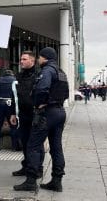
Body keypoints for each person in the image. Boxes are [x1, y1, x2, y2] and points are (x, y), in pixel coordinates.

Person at [14, 47, 69, 193]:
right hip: (60, 112)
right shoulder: (61, 72)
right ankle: (57, 181)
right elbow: (66, 93)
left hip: (47, 113)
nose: (39, 60)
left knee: (32, 145)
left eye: (40, 57)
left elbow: (41, 89)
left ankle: (31, 180)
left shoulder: (47, 71)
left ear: (45, 58)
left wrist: (38, 103)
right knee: (56, 147)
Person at [12, 51, 38, 177]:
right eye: (21, 59)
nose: (21, 61)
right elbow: (15, 96)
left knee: (35, 144)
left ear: (32, 61)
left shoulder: (38, 75)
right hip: (22, 115)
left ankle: (37, 168)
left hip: (35, 115)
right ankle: (26, 166)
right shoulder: (19, 76)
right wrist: (13, 113)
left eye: (24, 59)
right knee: (24, 141)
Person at [0, 69, 19, 151]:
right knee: (14, 125)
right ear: (12, 74)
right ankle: (14, 146)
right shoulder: (15, 81)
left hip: (0, 104)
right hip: (11, 105)